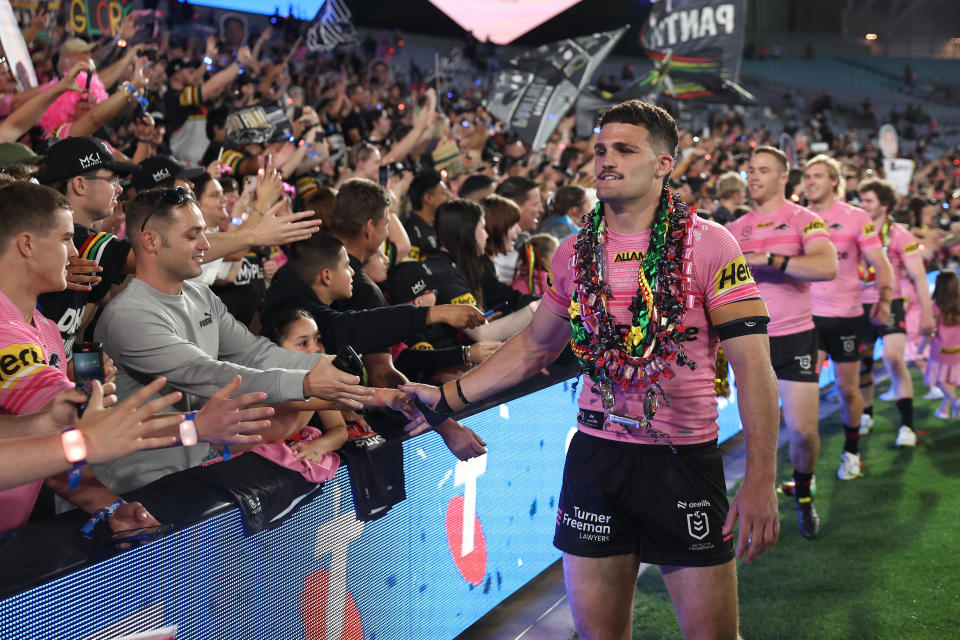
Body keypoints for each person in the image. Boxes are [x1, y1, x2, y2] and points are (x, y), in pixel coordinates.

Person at [402, 100, 780, 640]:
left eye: (625, 149)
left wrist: (761, 479)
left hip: (682, 460)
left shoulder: (710, 244)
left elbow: (753, 368)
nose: (606, 159)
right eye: (601, 149)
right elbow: (535, 347)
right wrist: (447, 400)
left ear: (663, 164)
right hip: (596, 458)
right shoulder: (575, 252)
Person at [92, 186, 370, 493]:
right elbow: (209, 374)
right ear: (151, 241)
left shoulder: (199, 294)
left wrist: (329, 366)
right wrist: (307, 382)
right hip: (134, 488)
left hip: (194, 469)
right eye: (192, 235)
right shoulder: (129, 316)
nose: (206, 244)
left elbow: (253, 353)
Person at [726, 146, 838, 539]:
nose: (753, 176)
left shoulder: (804, 220)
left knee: (804, 433)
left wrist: (770, 260)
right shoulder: (733, 228)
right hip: (749, 343)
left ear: (782, 178)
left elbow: (827, 266)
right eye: (749, 169)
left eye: (762, 170)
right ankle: (753, 502)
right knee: (758, 435)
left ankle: (803, 493)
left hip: (795, 338)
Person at [802, 155, 894, 481]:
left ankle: (851, 452)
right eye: (806, 175)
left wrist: (884, 297)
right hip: (806, 319)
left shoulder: (855, 217)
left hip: (846, 318)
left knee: (847, 390)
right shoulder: (796, 216)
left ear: (833, 181)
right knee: (805, 391)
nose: (809, 181)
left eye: (817, 176)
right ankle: (806, 467)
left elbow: (880, 262)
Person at [857, 178, 934, 448]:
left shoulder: (900, 235)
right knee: (862, 365)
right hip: (858, 305)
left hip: (892, 303)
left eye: (868, 201)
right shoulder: (857, 231)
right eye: (861, 200)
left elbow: (919, 277)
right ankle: (866, 414)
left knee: (892, 356)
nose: (862, 205)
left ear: (885, 205)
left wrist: (927, 314)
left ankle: (907, 425)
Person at [923, 271, 960, 419]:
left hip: (940, 350)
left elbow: (932, 330)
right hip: (957, 351)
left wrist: (923, 345)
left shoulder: (935, 307)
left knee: (938, 379)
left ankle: (955, 400)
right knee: (950, 379)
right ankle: (944, 409)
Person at [402, 170, 452, 261]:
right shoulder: (411, 232)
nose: (450, 197)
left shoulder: (439, 226)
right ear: (428, 198)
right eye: (444, 193)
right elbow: (408, 270)